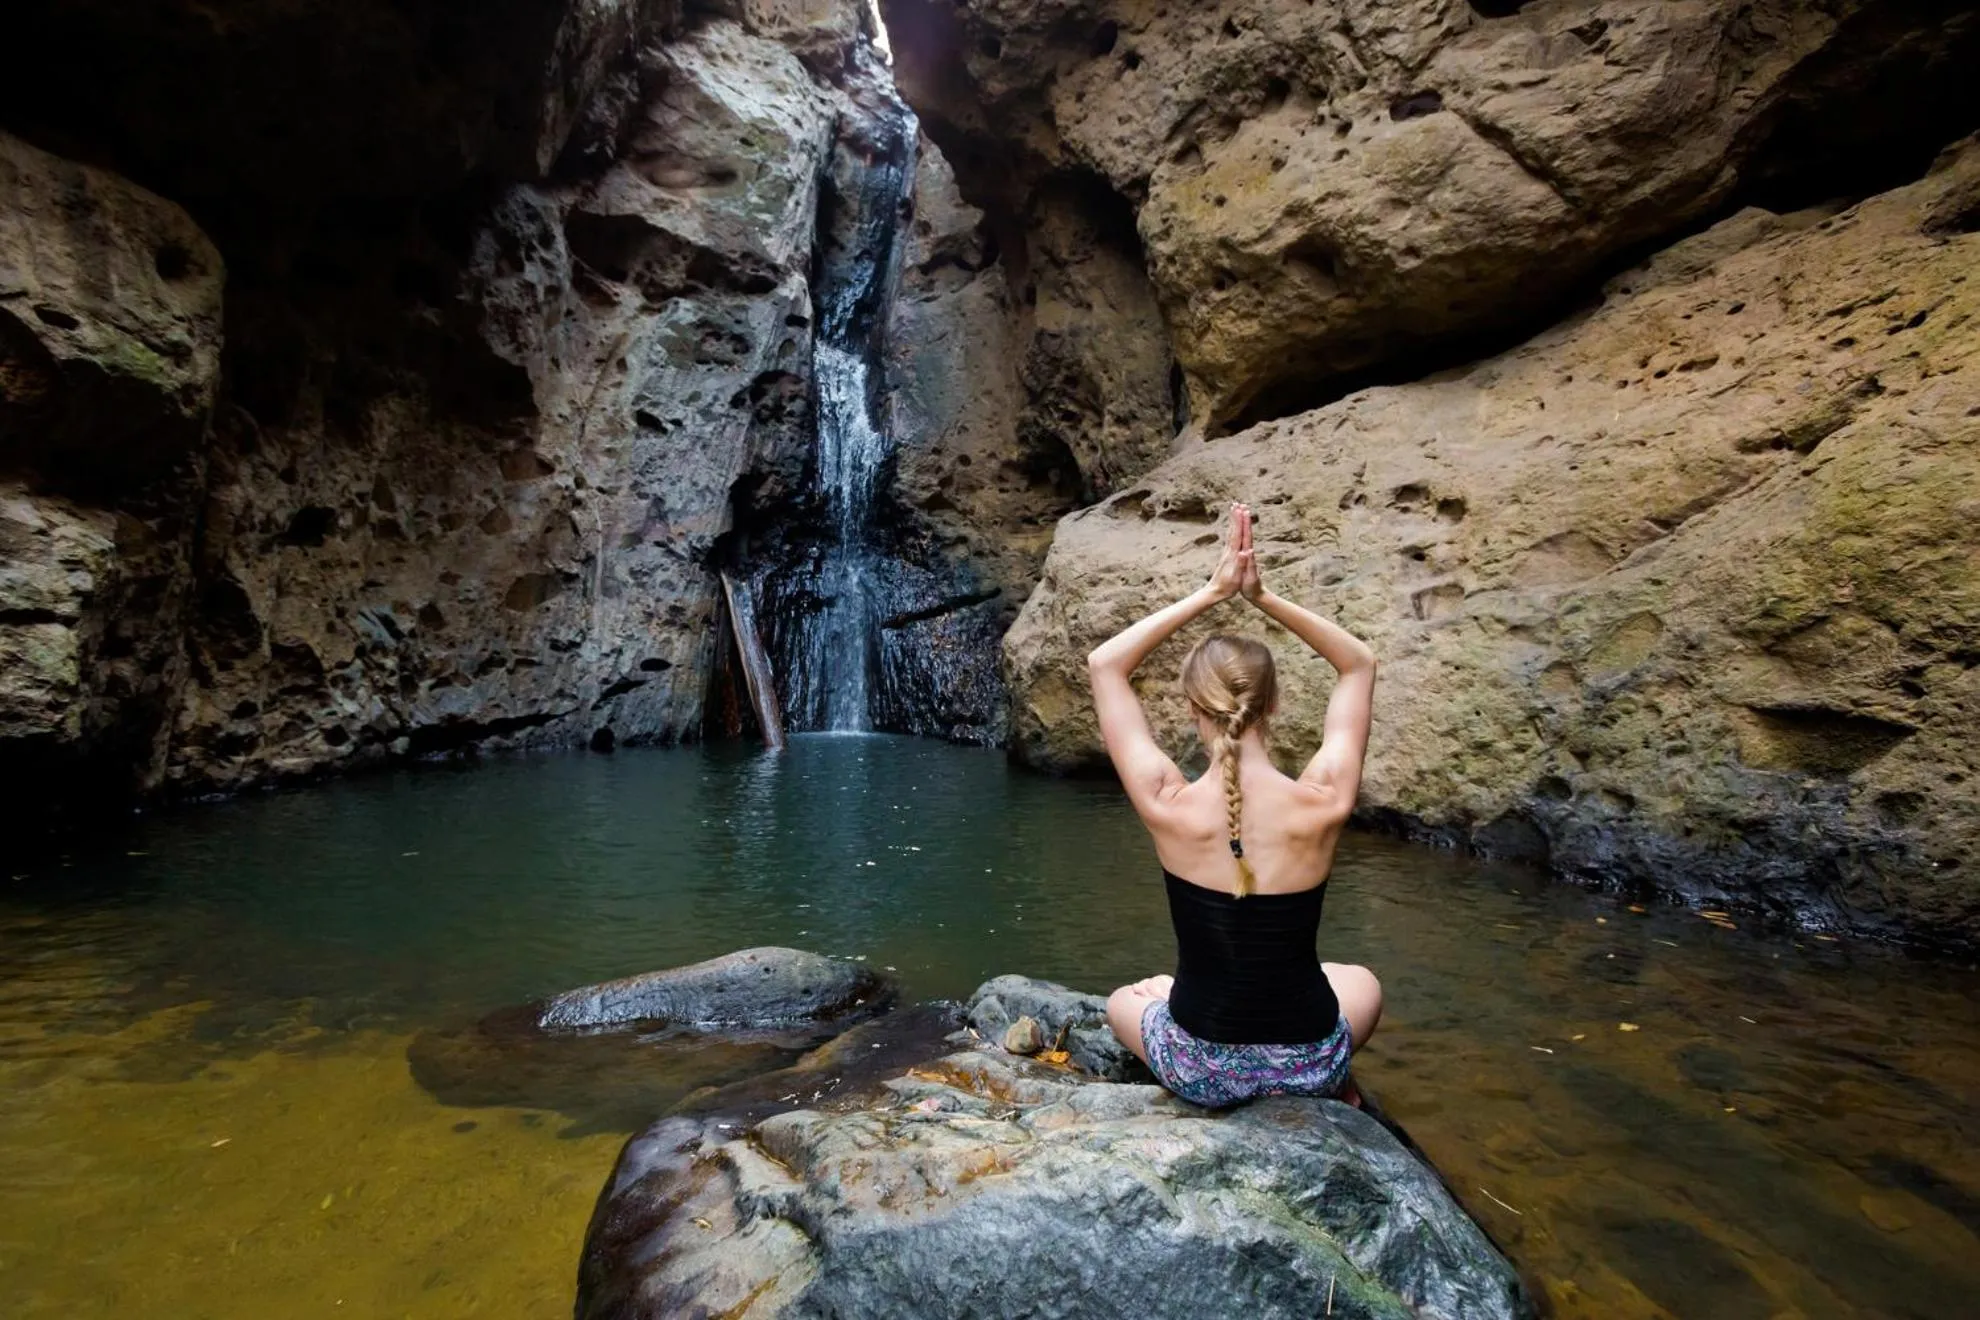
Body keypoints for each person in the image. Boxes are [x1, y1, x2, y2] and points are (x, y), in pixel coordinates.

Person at [1088, 501, 1382, 1108]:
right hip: (1311, 1065)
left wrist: (1212, 592)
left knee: (1123, 1001)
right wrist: (1261, 596)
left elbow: (1105, 664)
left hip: (1203, 1070)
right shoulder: (1324, 801)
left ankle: (1174, 1002)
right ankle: (1342, 1091)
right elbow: (1358, 664)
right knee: (1361, 982)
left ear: (1193, 708)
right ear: (1273, 705)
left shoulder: (1166, 803)